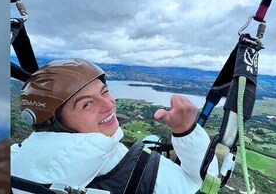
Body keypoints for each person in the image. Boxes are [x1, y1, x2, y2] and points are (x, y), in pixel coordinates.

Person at [11, 58, 218, 193]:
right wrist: (186, 132)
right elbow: (204, 185)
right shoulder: (147, 176)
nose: (109, 103)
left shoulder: (11, 167)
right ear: (55, 123)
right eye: (87, 104)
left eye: (104, 91)